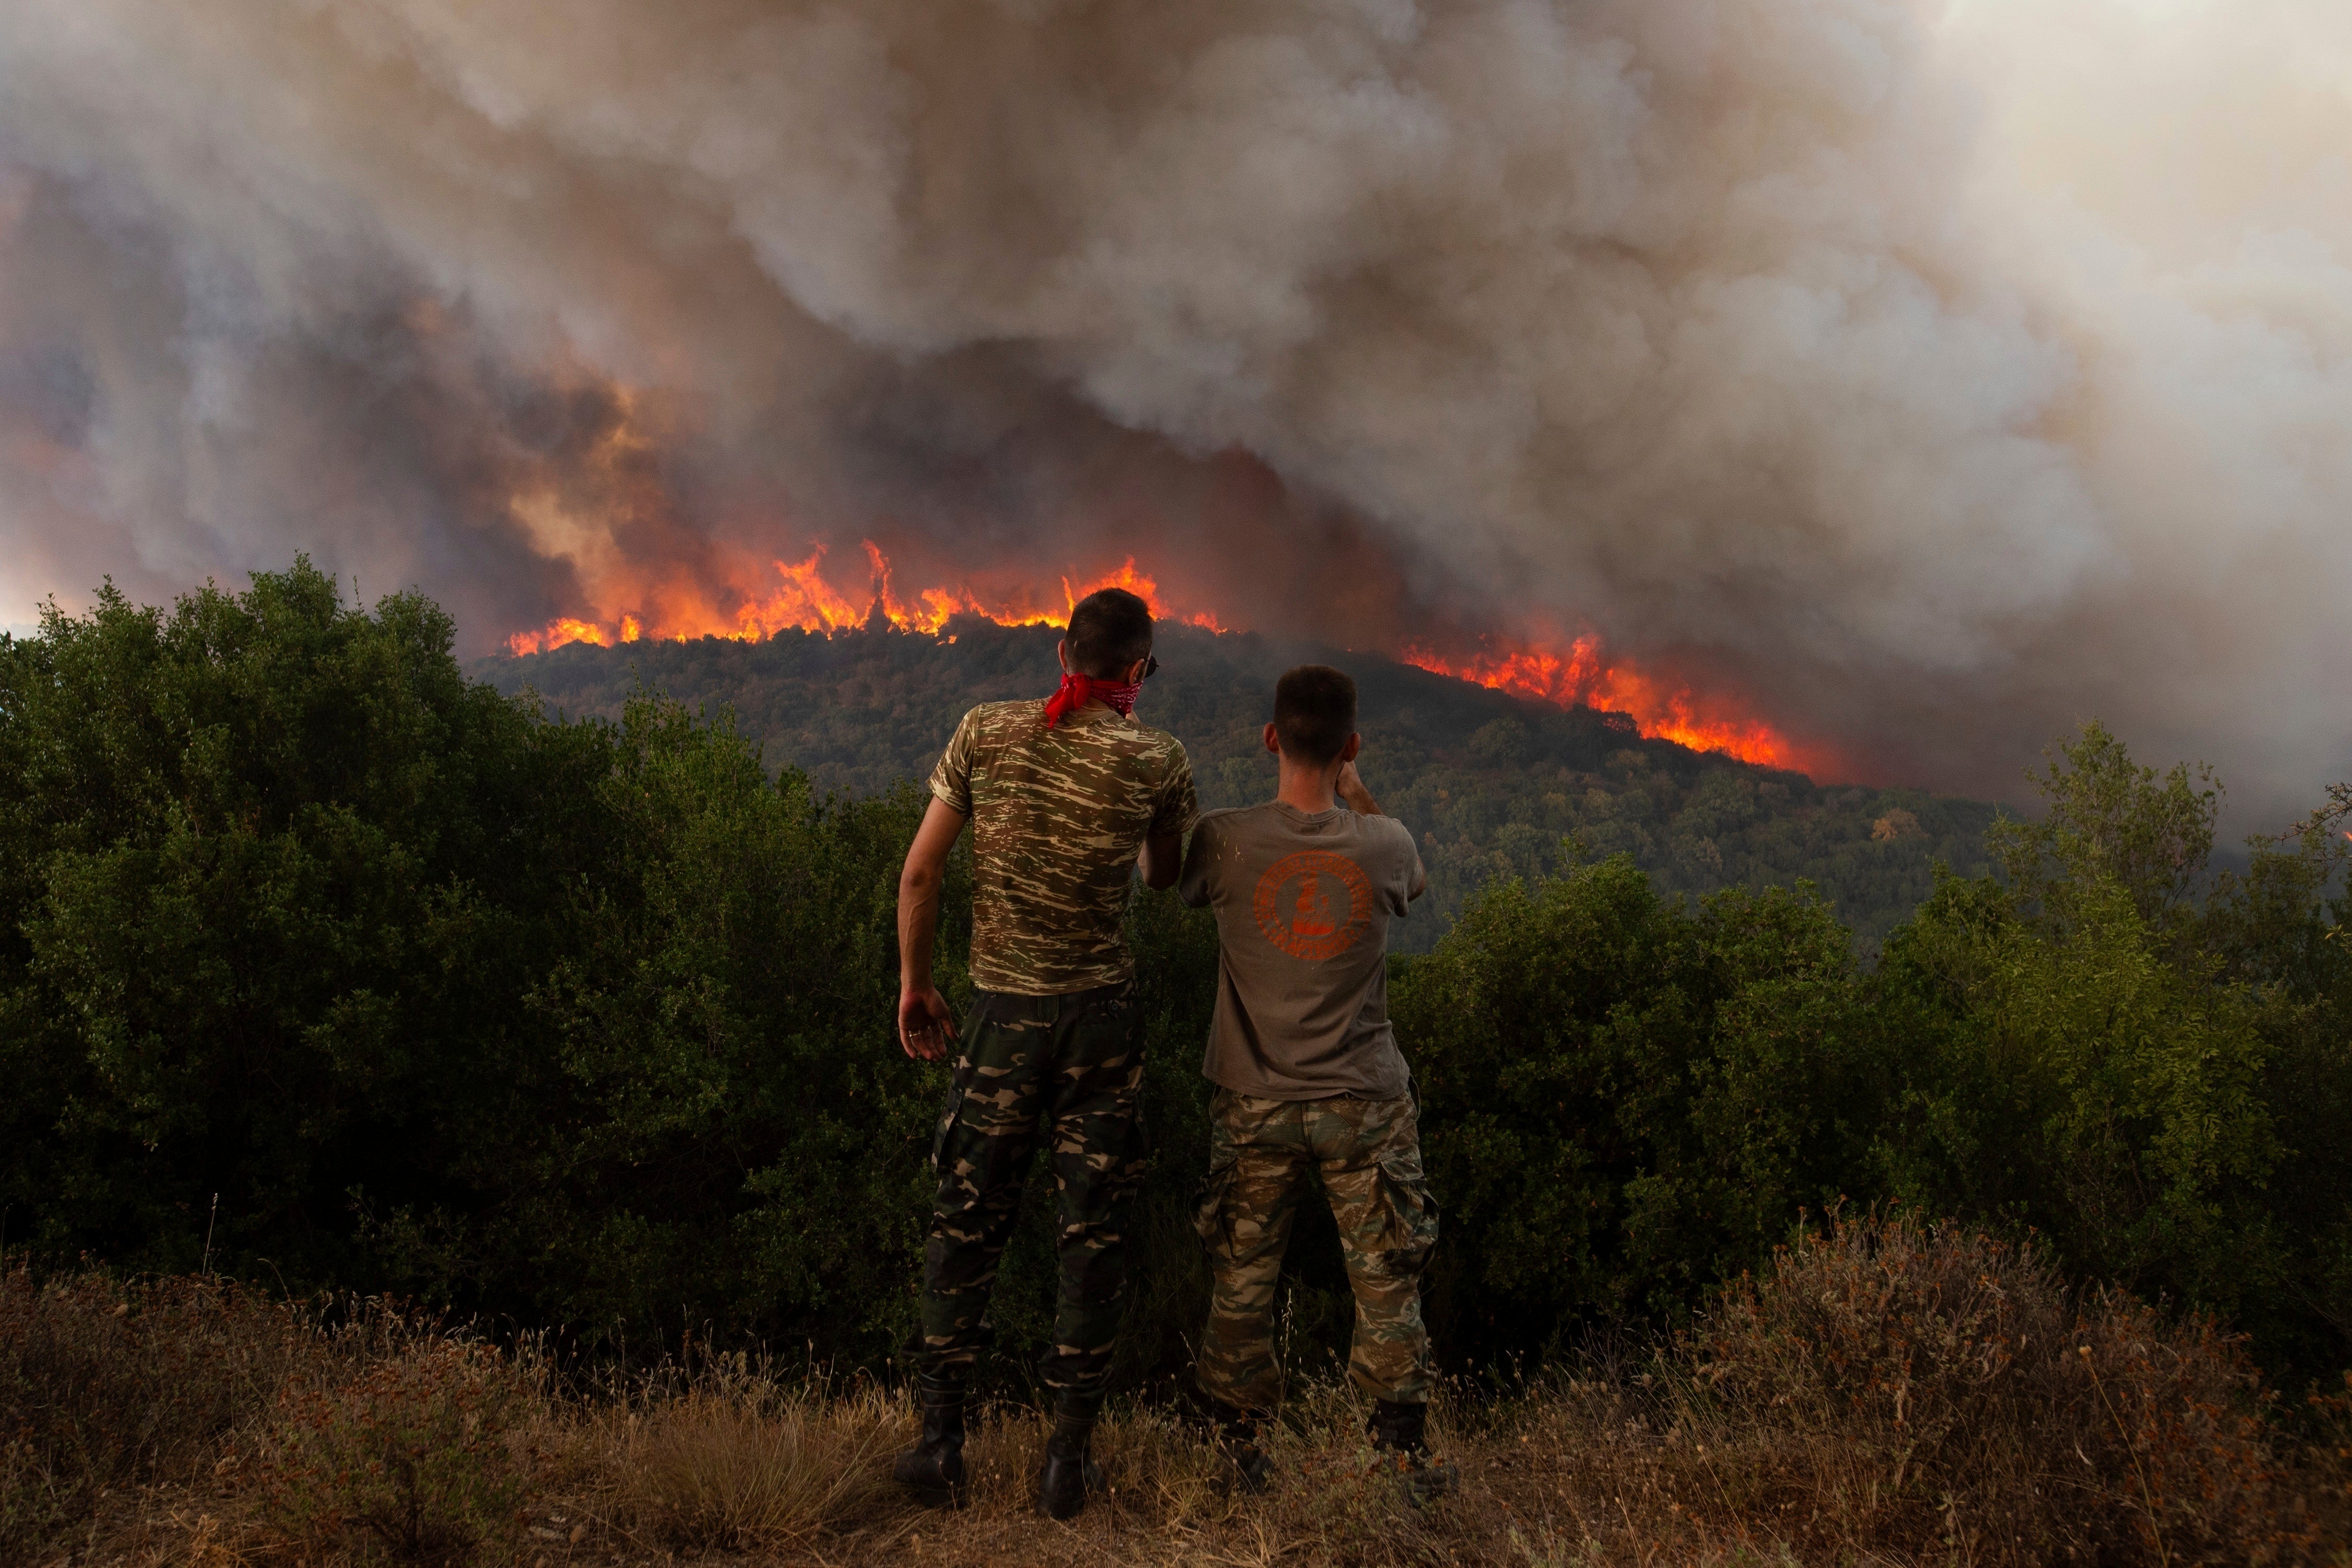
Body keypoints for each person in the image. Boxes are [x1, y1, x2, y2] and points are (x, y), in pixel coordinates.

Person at [890, 587, 1198, 1520]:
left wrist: (915, 983)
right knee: (1090, 1232)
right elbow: (1164, 874)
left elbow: (920, 870)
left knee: (967, 1223)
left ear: (1064, 650)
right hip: (1100, 1022)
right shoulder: (1158, 757)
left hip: (1000, 1019)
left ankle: (941, 1449)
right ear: (1138, 671)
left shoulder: (984, 730)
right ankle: (1067, 1464)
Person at [1177, 664, 1452, 1500]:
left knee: (1242, 1273)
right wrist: (1359, 796)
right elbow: (1419, 885)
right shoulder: (1386, 843)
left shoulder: (1222, 840)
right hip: (1362, 1102)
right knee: (1385, 1275)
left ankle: (1235, 1453)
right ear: (1351, 747)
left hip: (1254, 1099)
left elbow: (1178, 886)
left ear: (1270, 738)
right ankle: (1399, 1457)